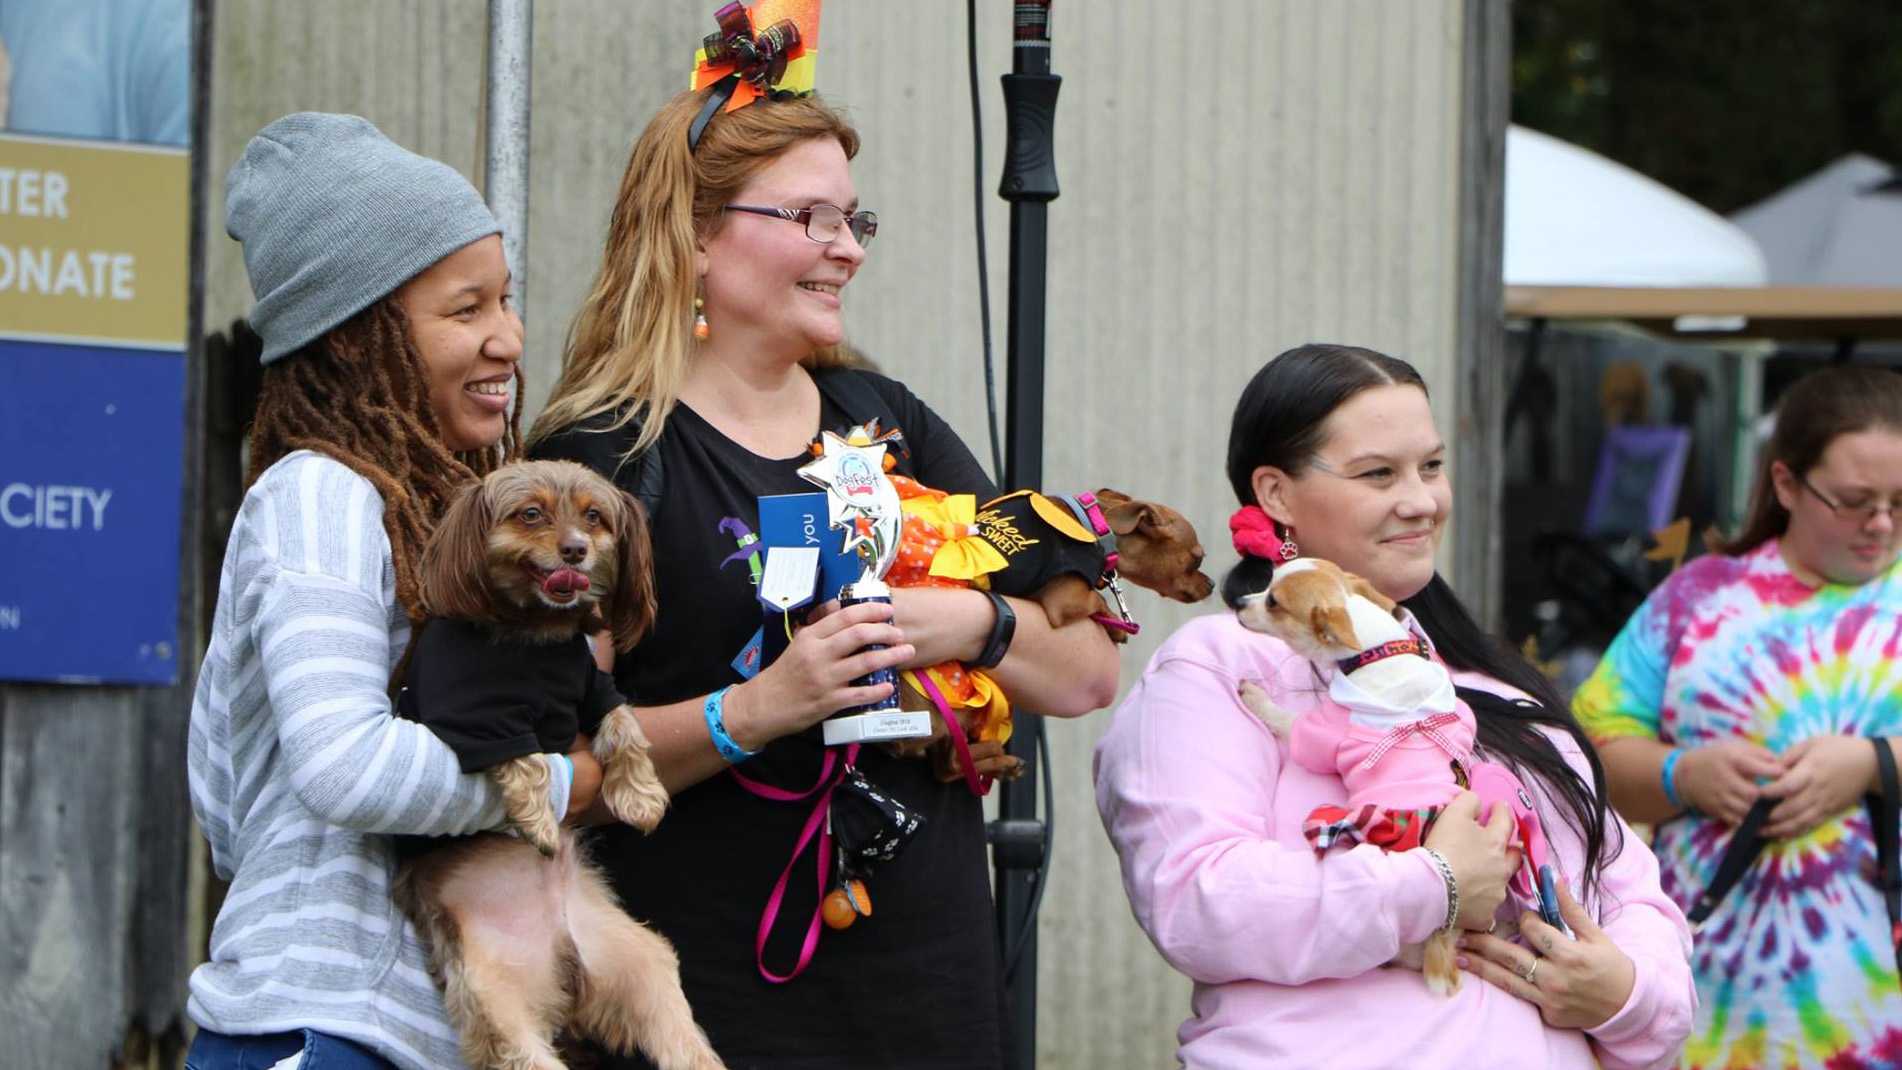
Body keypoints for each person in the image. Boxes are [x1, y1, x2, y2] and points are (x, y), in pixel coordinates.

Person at [526, 82, 1119, 1067]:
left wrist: (958, 623)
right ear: (696, 236)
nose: (848, 248)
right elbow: (555, 772)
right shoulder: (605, 458)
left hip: (926, 994)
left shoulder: (888, 422)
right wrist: (756, 708)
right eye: (812, 217)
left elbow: (1088, 668)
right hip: (706, 1007)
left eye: (855, 220)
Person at [1093, 343, 1696, 1069]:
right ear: (1277, 494)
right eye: (1379, 473)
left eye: (1432, 467)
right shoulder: (1216, 667)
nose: (1422, 500)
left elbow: (1628, 893)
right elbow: (1194, 899)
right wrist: (1430, 885)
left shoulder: (1495, 684)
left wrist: (1624, 996)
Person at [185, 112, 602, 1070]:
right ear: (350, 340)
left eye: (506, 299)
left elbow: (225, 793)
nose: (509, 337)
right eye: (466, 311)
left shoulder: (436, 508)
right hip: (321, 1027)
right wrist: (563, 787)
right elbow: (344, 768)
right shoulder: (320, 496)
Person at [1574, 364, 1902, 1069]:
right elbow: (1580, 757)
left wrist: (1874, 763)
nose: (1881, 524)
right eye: (1854, 501)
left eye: (1901, 501)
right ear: (1785, 484)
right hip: (1710, 999)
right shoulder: (1698, 597)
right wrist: (1682, 774)